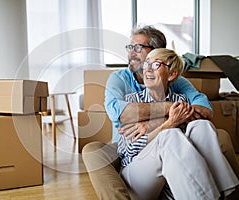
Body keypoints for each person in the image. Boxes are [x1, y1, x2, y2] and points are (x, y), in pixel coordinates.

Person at [82, 25, 239, 200]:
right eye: (130, 47)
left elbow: (205, 110)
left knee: (208, 130)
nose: (132, 53)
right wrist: (171, 116)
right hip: (125, 151)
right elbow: (120, 114)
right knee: (93, 151)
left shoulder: (179, 84)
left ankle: (229, 193)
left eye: (139, 48)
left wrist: (154, 122)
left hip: (174, 143)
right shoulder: (121, 82)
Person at [118, 48, 238, 199]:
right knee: (170, 134)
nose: (147, 69)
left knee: (202, 126)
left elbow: (196, 127)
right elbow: (127, 149)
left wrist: (153, 125)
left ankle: (226, 193)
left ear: (172, 74)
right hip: (136, 174)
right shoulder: (131, 101)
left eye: (156, 64)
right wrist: (168, 124)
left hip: (174, 173)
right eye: (146, 63)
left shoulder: (182, 101)